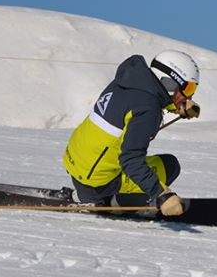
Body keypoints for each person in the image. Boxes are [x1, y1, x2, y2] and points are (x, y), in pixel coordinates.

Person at [62, 50, 201, 217]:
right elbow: (131, 160)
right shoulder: (148, 109)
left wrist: (177, 107)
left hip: (77, 163)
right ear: (170, 82)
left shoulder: (128, 82)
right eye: (188, 88)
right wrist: (162, 195)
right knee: (170, 166)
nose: (190, 95)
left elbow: (150, 97)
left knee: (155, 164)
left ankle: (87, 193)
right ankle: (115, 201)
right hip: (97, 184)